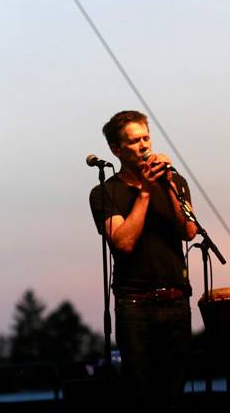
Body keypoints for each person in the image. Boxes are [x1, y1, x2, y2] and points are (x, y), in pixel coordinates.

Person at [89, 110, 197, 413]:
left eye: (146, 138)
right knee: (142, 395)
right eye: (134, 141)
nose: (143, 146)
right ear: (116, 150)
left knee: (174, 393)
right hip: (135, 308)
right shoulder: (104, 193)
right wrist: (146, 192)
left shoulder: (173, 181)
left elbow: (188, 230)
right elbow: (123, 242)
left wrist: (165, 185)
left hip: (176, 302)